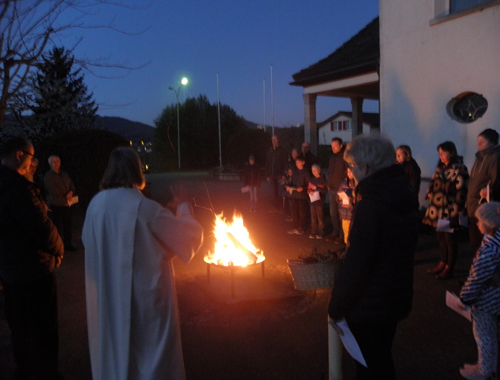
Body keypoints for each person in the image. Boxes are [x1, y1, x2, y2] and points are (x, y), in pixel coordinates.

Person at [82, 147, 203, 380]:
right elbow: (187, 237)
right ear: (137, 170)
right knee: (150, 353)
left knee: (115, 349)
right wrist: (184, 206)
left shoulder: (96, 205)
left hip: (108, 293)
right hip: (145, 300)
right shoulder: (145, 208)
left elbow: (90, 242)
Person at [328, 133, 418, 380]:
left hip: (371, 304)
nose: (350, 172)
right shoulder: (403, 192)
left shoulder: (372, 204)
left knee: (369, 366)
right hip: (394, 295)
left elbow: (358, 266)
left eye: (351, 166)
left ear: (366, 168)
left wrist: (335, 307)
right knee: (381, 358)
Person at [0, 137, 64, 380]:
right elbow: (42, 228)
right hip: (35, 272)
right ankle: (48, 373)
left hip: (9, 272)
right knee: (44, 329)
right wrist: (58, 250)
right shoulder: (19, 188)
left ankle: (24, 371)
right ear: (19, 155)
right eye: (30, 157)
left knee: (19, 328)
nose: (31, 164)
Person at [458, 202, 500, 380]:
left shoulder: (489, 249)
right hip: (496, 298)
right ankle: (486, 365)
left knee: (484, 335)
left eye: (479, 221)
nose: (476, 224)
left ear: (489, 223)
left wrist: (465, 298)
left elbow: (478, 277)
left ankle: (485, 370)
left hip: (487, 301)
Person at [423, 141, 469, 280]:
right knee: (440, 237)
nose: (440, 156)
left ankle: (449, 267)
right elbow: (433, 182)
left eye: (443, 153)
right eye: (439, 153)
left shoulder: (459, 168)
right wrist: (430, 191)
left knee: (450, 238)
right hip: (437, 209)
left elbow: (461, 190)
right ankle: (442, 262)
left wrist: (455, 206)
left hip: (449, 209)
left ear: (452, 153)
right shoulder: (440, 168)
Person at [467, 128, 500, 255]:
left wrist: (489, 192)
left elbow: (496, 181)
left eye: (482, 142)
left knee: (483, 243)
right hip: (472, 204)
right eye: (478, 142)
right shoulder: (479, 158)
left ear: (491, 142)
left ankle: (483, 270)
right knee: (474, 241)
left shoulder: (495, 157)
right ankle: (477, 268)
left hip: (484, 207)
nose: (478, 144)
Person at [44, 155, 77, 251]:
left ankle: (68, 244)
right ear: (50, 164)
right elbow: (53, 190)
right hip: (56, 204)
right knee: (57, 226)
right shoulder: (48, 176)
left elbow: (72, 185)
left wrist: (71, 192)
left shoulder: (64, 174)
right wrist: (65, 195)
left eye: (57, 161)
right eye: (54, 162)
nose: (56, 163)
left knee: (68, 224)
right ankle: (58, 245)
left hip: (67, 204)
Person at [327, 137, 346, 243]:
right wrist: (328, 184)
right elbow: (330, 171)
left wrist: (343, 189)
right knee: (333, 213)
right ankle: (335, 232)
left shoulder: (345, 157)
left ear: (341, 146)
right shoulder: (332, 157)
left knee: (342, 214)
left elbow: (347, 174)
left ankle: (342, 236)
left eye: (335, 146)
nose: (333, 148)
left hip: (341, 191)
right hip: (332, 189)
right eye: (332, 146)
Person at [286, 155, 310, 235]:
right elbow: (292, 182)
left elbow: (309, 184)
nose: (297, 164)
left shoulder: (306, 172)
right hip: (294, 195)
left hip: (302, 196)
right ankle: (295, 227)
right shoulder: (295, 172)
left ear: (303, 163)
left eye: (299, 162)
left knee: (302, 213)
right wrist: (289, 187)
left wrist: (303, 188)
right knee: (294, 212)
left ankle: (301, 227)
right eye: (296, 162)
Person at [265, 135, 287, 213]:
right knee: (274, 193)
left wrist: (284, 174)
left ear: (278, 140)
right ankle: (276, 208)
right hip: (272, 175)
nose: (273, 141)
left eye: (274, 139)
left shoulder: (282, 151)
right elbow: (267, 164)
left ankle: (283, 209)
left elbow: (285, 163)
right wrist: (267, 175)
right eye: (272, 140)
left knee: (282, 192)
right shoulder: (270, 151)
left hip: (280, 175)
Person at [308, 164, 328, 239]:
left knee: (320, 218)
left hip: (320, 201)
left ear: (318, 170)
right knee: (313, 217)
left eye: (315, 170)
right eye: (312, 171)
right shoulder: (311, 180)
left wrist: (317, 188)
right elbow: (308, 189)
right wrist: (310, 192)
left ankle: (321, 232)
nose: (313, 172)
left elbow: (325, 190)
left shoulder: (323, 180)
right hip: (312, 201)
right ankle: (313, 232)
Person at [338, 167, 356, 245]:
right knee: (345, 231)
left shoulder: (357, 183)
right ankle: (346, 248)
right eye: (348, 172)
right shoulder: (344, 183)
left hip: (352, 212)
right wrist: (339, 197)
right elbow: (339, 193)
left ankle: (352, 248)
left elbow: (360, 197)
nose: (349, 174)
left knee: (352, 231)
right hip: (344, 211)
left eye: (351, 172)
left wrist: (351, 199)